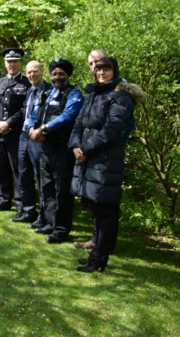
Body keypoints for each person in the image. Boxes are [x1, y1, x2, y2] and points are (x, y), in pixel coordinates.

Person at [69, 57, 143, 272]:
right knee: (95, 209)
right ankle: (95, 256)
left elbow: (112, 130)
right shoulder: (92, 94)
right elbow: (78, 124)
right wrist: (75, 146)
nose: (101, 73)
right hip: (88, 159)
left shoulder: (121, 97)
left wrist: (85, 148)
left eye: (106, 69)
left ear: (115, 71)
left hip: (105, 160)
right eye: (98, 69)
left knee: (105, 211)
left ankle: (99, 258)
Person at [29, 59, 83, 243]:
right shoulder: (49, 93)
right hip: (45, 148)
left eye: (61, 74)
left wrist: (43, 129)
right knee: (47, 188)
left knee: (62, 191)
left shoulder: (74, 93)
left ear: (68, 75)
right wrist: (31, 128)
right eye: (54, 74)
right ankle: (50, 224)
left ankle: (61, 229)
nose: (57, 77)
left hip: (63, 149)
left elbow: (68, 116)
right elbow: (35, 113)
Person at [0, 48, 31, 212]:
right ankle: (3, 199)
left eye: (15, 61)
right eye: (9, 61)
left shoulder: (26, 83)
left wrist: (9, 123)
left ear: (20, 63)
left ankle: (20, 203)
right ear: (5, 64)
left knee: (17, 170)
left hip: (15, 134)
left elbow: (25, 108)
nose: (12, 64)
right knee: (1, 169)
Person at [13, 61, 52, 223]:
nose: (32, 74)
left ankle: (43, 215)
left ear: (42, 71)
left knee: (39, 176)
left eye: (35, 71)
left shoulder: (50, 90)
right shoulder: (29, 91)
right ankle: (28, 211)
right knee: (24, 174)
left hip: (38, 137)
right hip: (23, 136)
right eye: (29, 72)